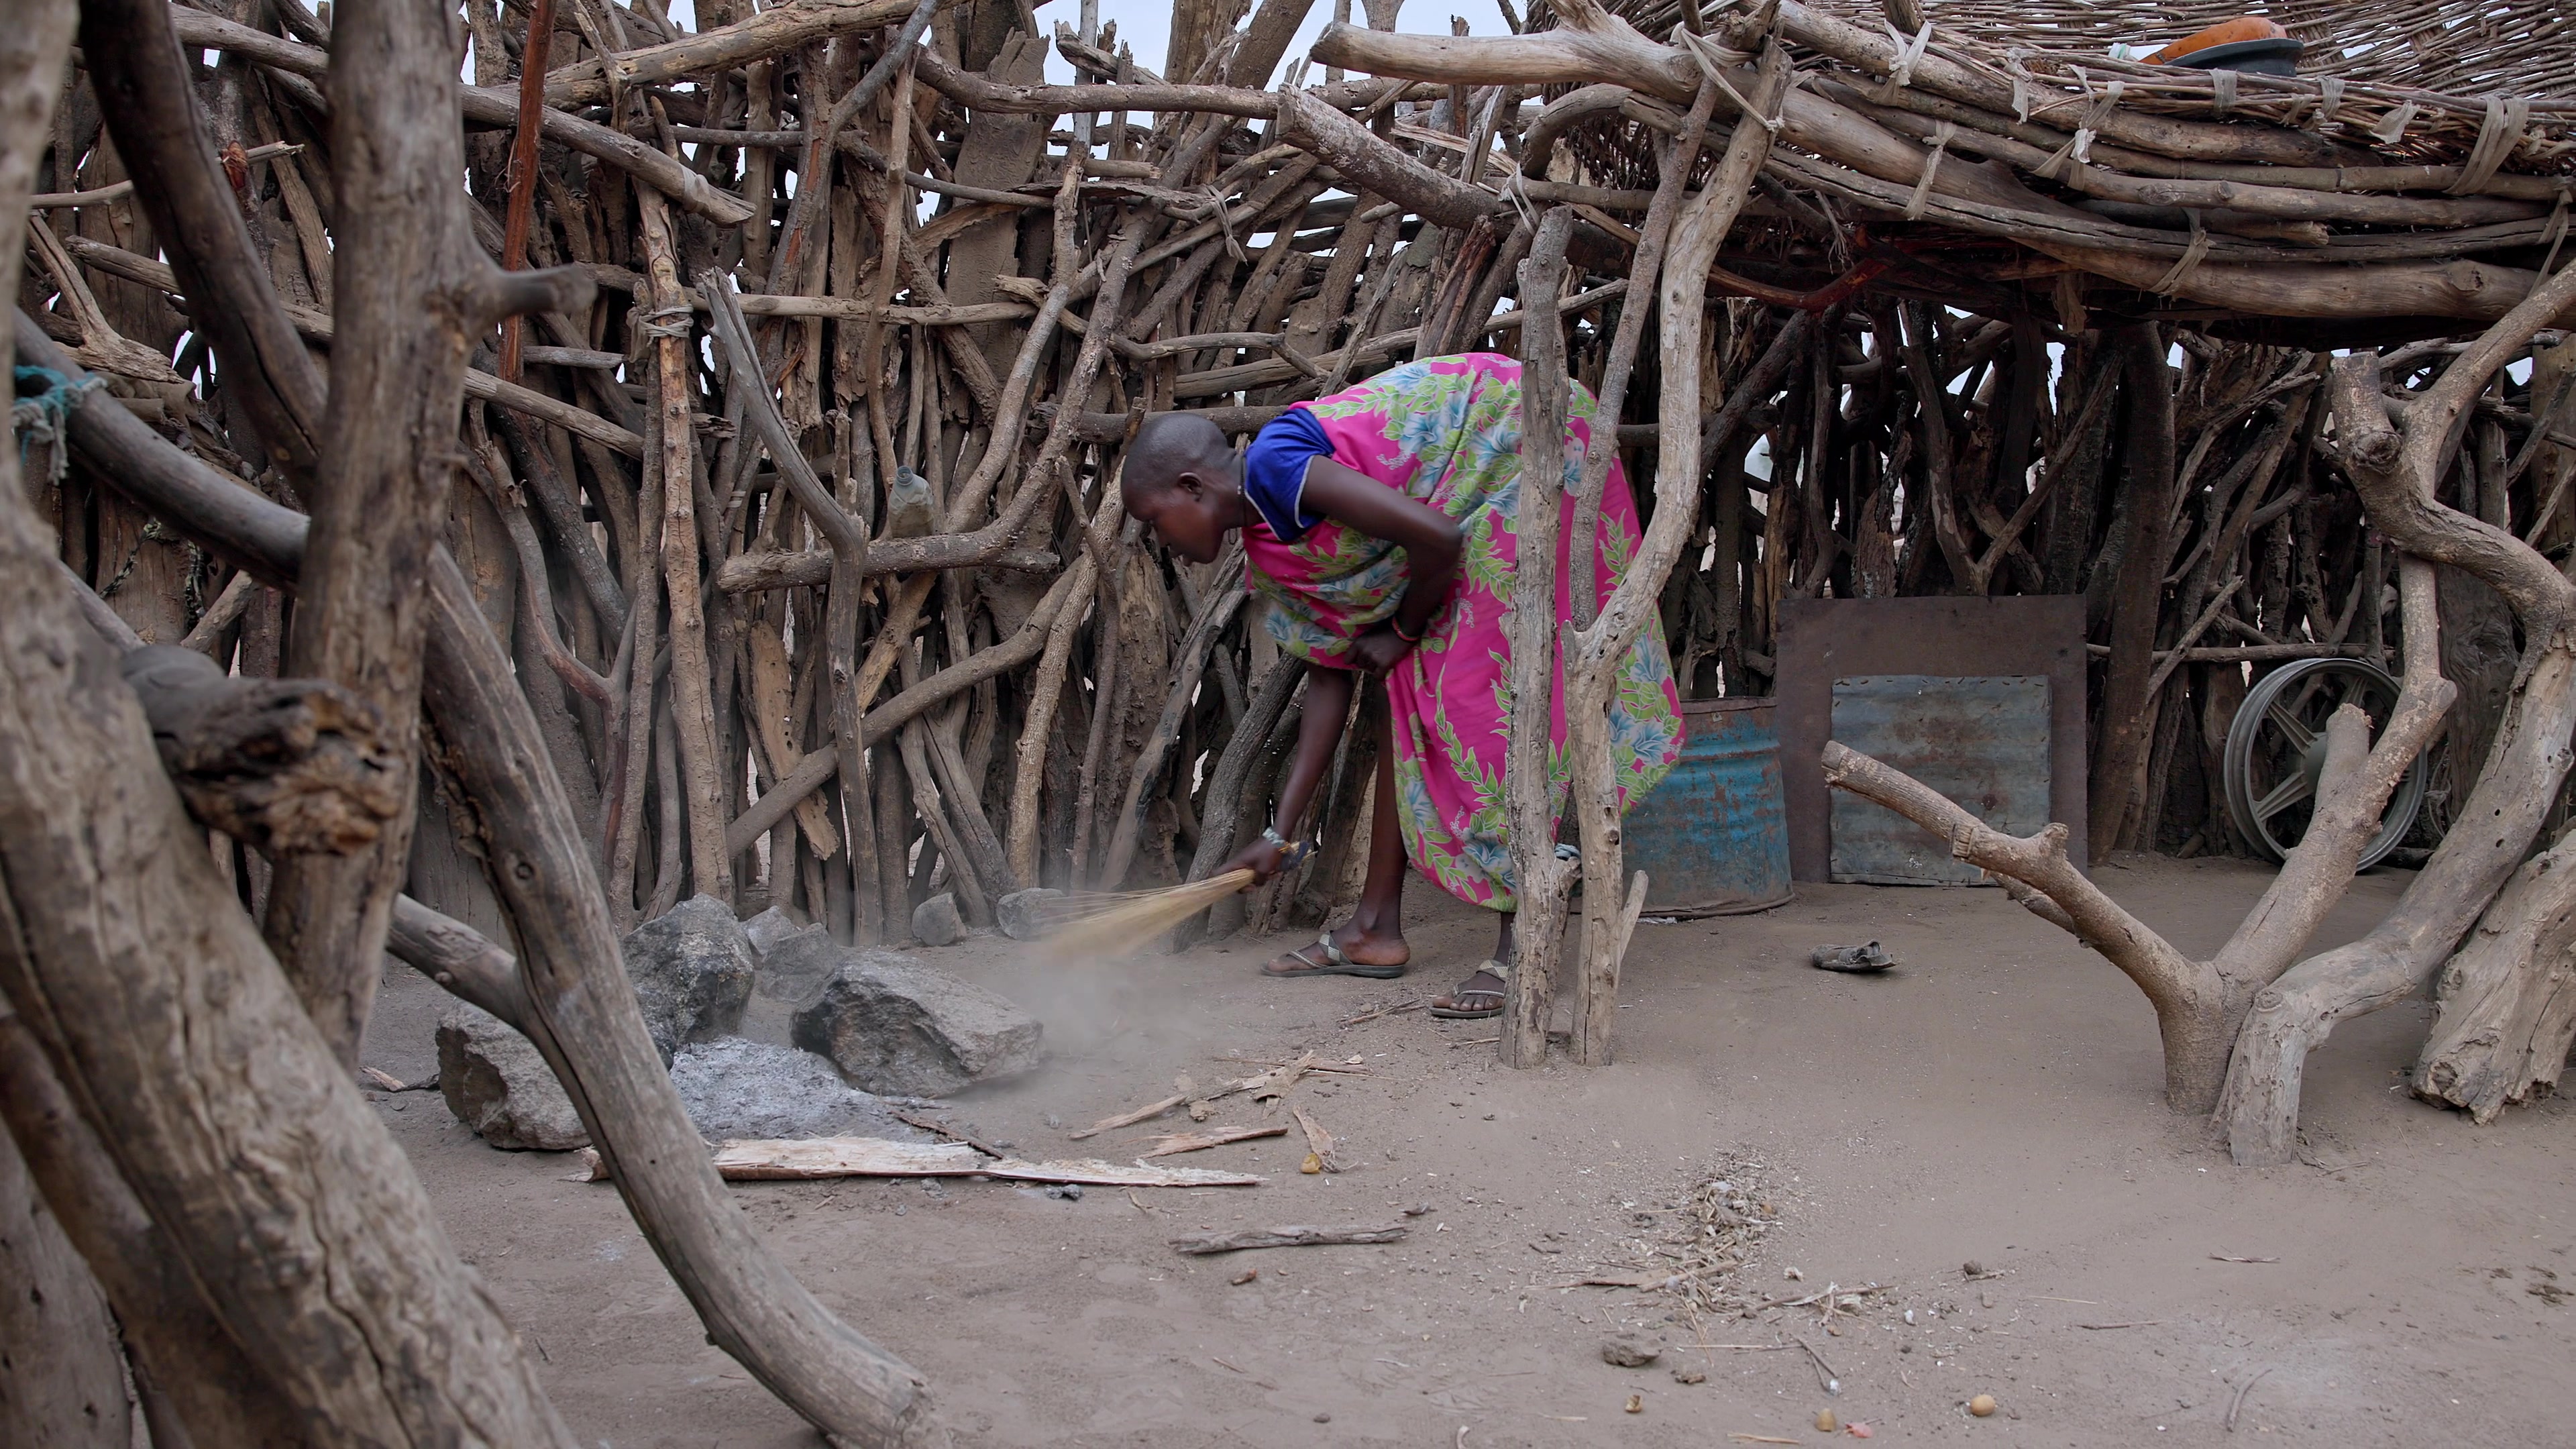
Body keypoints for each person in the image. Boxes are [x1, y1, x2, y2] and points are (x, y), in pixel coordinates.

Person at [1120, 353, 1682, 1018]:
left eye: (1155, 520)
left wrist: (1404, 630)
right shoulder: (1268, 548)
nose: (1162, 543)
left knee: (1477, 705)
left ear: (1192, 487)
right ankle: (1374, 930)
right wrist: (1282, 831)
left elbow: (1439, 539)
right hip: (1473, 479)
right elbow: (1330, 668)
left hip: (1524, 435)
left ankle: (1522, 940)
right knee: (1406, 704)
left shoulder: (1280, 466)